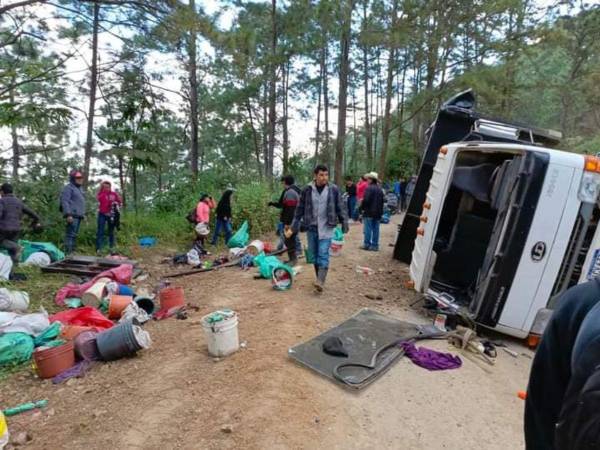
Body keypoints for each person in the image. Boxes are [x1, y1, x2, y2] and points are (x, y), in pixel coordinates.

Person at [292, 165, 348, 293]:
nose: (324, 178)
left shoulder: (333, 189)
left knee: (323, 253)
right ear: (315, 175)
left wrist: (344, 221)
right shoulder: (307, 190)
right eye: (321, 175)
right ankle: (319, 278)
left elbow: (340, 206)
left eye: (326, 175)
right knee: (314, 254)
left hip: (327, 226)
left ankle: (321, 281)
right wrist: (295, 223)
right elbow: (299, 208)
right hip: (311, 227)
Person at [0, 183, 41, 264]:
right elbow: (35, 215)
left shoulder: (2, 201)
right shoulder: (19, 202)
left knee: (8, 245)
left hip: (3, 228)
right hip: (16, 229)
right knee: (13, 252)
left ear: (2, 192)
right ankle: (13, 270)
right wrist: (34, 224)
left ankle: (16, 247)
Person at [269, 175, 302, 261]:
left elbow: (290, 209)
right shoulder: (289, 191)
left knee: (290, 238)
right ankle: (292, 257)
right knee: (288, 238)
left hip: (292, 220)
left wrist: (287, 223)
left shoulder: (290, 192)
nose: (282, 184)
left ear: (284, 182)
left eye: (282, 182)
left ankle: (295, 256)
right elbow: (284, 206)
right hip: (292, 219)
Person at [60, 170, 86, 254]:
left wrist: (83, 214)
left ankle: (72, 252)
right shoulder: (68, 188)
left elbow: (79, 203)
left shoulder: (79, 189)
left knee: (74, 235)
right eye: (78, 178)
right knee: (70, 234)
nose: (80, 179)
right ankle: (67, 253)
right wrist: (68, 214)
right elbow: (65, 201)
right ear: (73, 178)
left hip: (78, 215)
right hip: (72, 215)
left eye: (81, 177)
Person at [359, 172, 384, 251]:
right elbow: (382, 202)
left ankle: (367, 244)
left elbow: (366, 200)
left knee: (368, 228)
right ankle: (375, 245)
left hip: (369, 212)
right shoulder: (380, 189)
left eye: (368, 179)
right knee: (376, 229)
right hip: (378, 213)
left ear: (371, 179)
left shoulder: (369, 188)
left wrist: (362, 208)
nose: (367, 180)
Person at [96, 181, 122, 253]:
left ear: (110, 187)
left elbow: (119, 202)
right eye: (104, 187)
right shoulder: (100, 194)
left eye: (108, 187)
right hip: (102, 214)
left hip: (111, 215)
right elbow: (99, 200)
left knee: (111, 231)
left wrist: (117, 203)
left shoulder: (114, 194)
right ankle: (99, 248)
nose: (107, 188)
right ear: (102, 188)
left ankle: (112, 248)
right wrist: (104, 194)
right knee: (100, 231)